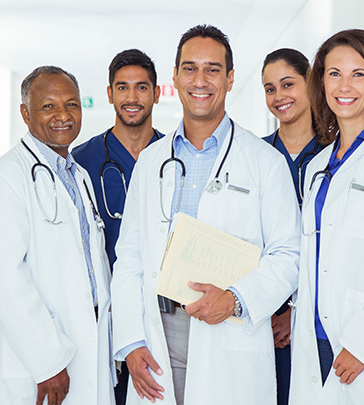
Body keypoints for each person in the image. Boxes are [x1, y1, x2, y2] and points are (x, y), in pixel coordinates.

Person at [111, 24, 301, 405]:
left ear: (230, 79)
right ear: (175, 79)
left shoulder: (265, 162)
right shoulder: (151, 161)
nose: (201, 80)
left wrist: (234, 300)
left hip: (229, 330)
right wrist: (131, 340)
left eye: (213, 69)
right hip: (158, 332)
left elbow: (289, 255)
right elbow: (129, 255)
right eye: (190, 68)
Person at [289, 29, 364, 405]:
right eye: (334, 73)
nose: (344, 85)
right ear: (321, 80)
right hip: (314, 339)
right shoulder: (320, 164)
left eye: (358, 73)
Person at [0, 66, 116, 405]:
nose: (62, 116)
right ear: (25, 113)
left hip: (88, 344)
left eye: (72, 104)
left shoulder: (78, 175)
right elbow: (7, 277)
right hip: (42, 363)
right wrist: (47, 362)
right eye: (48, 106)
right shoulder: (9, 176)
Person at [73, 49, 163, 405]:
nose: (132, 98)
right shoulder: (82, 160)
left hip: (160, 311)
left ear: (157, 92)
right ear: (109, 94)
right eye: (122, 88)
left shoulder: (174, 155)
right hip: (101, 311)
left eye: (142, 87)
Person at [261, 48, 324, 405]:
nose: (278, 96)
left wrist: (295, 309)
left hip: (317, 310)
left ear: (310, 82)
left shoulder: (334, 153)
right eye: (270, 89)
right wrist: (272, 305)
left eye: (287, 84)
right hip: (263, 313)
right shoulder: (255, 155)